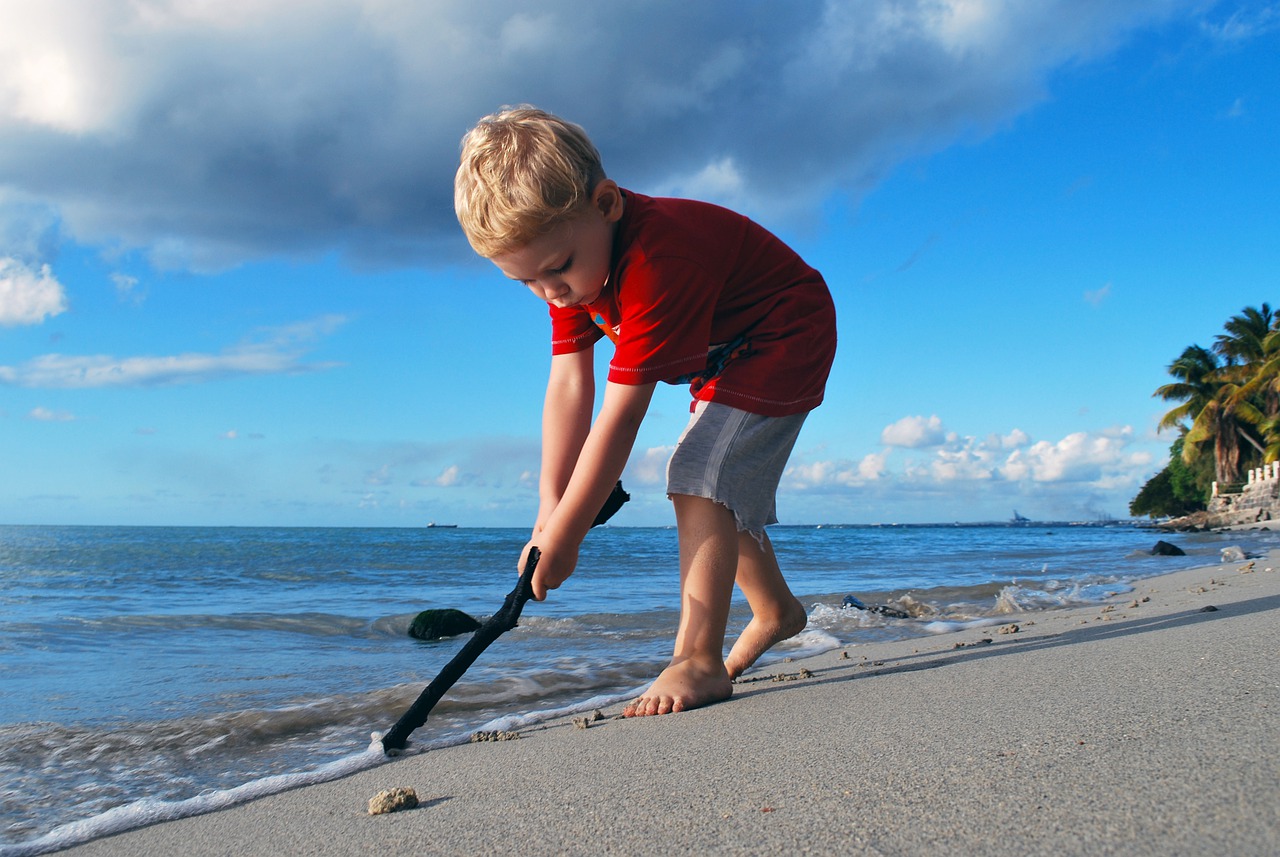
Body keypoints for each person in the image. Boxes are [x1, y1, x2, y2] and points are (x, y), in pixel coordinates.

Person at [454, 106, 837, 717]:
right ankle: (776, 611)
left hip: (785, 331)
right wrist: (547, 515)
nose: (549, 292)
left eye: (554, 271)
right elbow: (569, 390)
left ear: (605, 205)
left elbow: (620, 415)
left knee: (697, 473)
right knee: (718, 478)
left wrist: (571, 534)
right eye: (524, 282)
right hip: (724, 351)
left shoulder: (658, 262)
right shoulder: (573, 268)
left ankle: (697, 658)